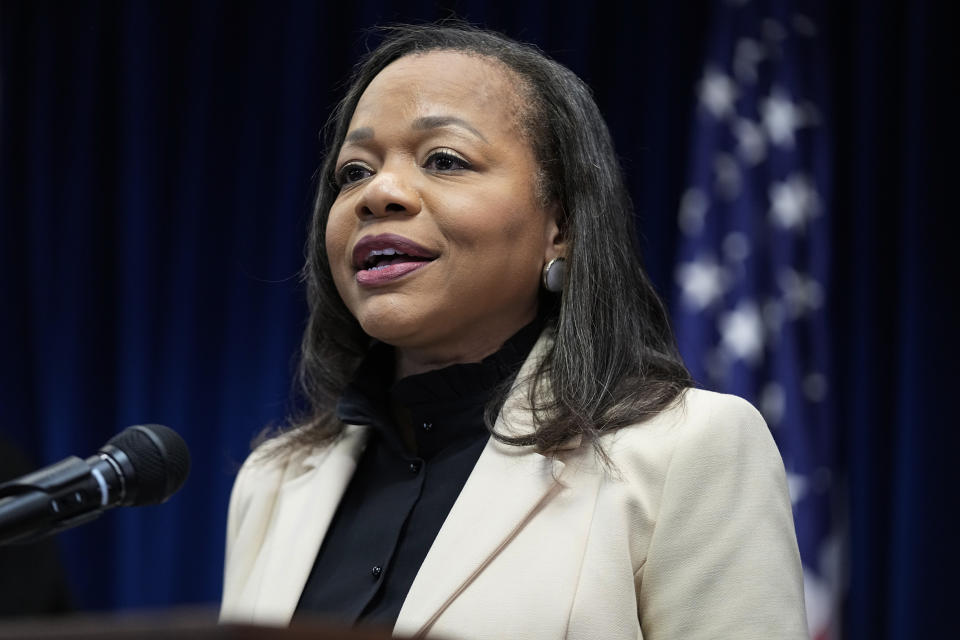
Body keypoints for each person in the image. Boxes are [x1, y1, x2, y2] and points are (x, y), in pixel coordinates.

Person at [220, 24, 809, 639]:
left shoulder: (687, 449)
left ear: (562, 228)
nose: (380, 193)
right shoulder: (274, 482)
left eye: (444, 160)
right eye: (353, 172)